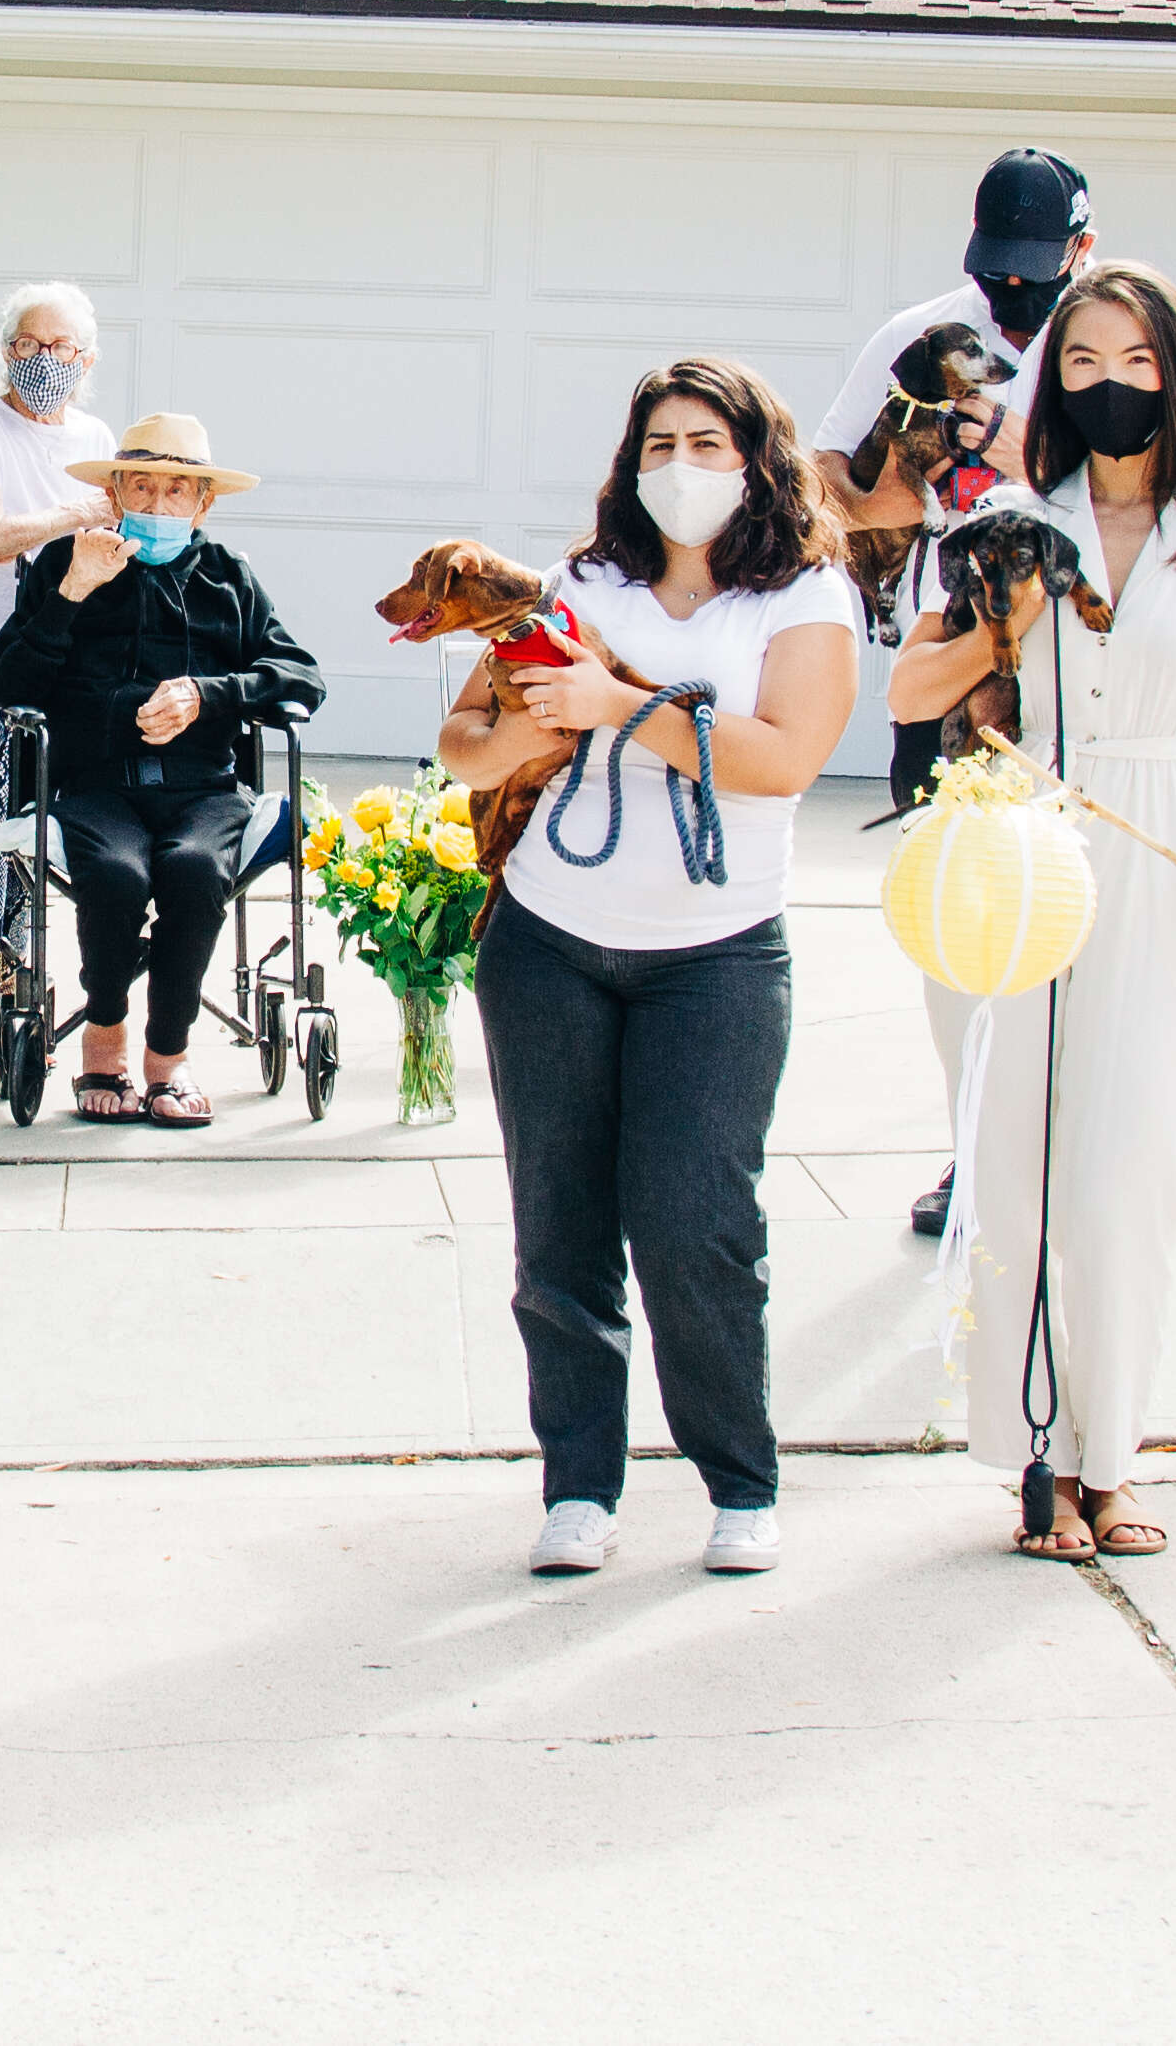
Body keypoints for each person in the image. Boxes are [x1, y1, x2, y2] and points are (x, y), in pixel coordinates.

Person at [887, 265, 1176, 1562]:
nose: (1110, 383)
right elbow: (916, 686)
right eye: (1082, 363)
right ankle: (1031, 1457)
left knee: (1130, 1164)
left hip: (1159, 840)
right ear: (1054, 386)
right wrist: (1003, 613)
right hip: (1014, 846)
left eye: (1136, 358)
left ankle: (1112, 1450)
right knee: (1016, 1162)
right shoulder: (1010, 519)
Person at [439, 357, 856, 1578]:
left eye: (709, 445)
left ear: (758, 460)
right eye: (660, 444)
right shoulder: (579, 582)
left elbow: (781, 759)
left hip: (714, 960)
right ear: (631, 463)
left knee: (696, 1223)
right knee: (556, 1232)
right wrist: (534, 720)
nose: (682, 467)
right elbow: (466, 746)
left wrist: (615, 702)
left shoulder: (806, 596)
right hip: (550, 941)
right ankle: (579, 1484)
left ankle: (739, 1480)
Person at [812, 146, 1092, 1239]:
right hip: (953, 646)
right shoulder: (919, 332)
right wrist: (914, 468)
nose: (1014, 293)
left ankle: (1062, 1150)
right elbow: (830, 478)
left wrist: (1032, 453)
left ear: (1082, 247)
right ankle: (975, 1149)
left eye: (1036, 267)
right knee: (963, 921)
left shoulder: (1114, 329)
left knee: (1077, 917)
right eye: (998, 269)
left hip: (1081, 653)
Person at [0, 414, 321, 1128]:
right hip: (98, 785)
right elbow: (9, 684)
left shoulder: (230, 577)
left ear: (204, 503)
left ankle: (169, 1057)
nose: (160, 504)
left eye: (178, 490)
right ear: (115, 492)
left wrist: (208, 694)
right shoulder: (65, 565)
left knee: (196, 870)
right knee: (117, 875)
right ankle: (105, 1038)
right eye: (143, 485)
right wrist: (72, 591)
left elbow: (300, 676)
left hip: (205, 791)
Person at [0, 282, 115, 1076]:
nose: (44, 361)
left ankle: (22, 1007)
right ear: (7, 350)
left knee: (34, 850)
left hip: (60, 672)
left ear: (87, 360)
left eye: (61, 348)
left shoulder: (96, 434)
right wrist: (79, 514)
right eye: (29, 345)